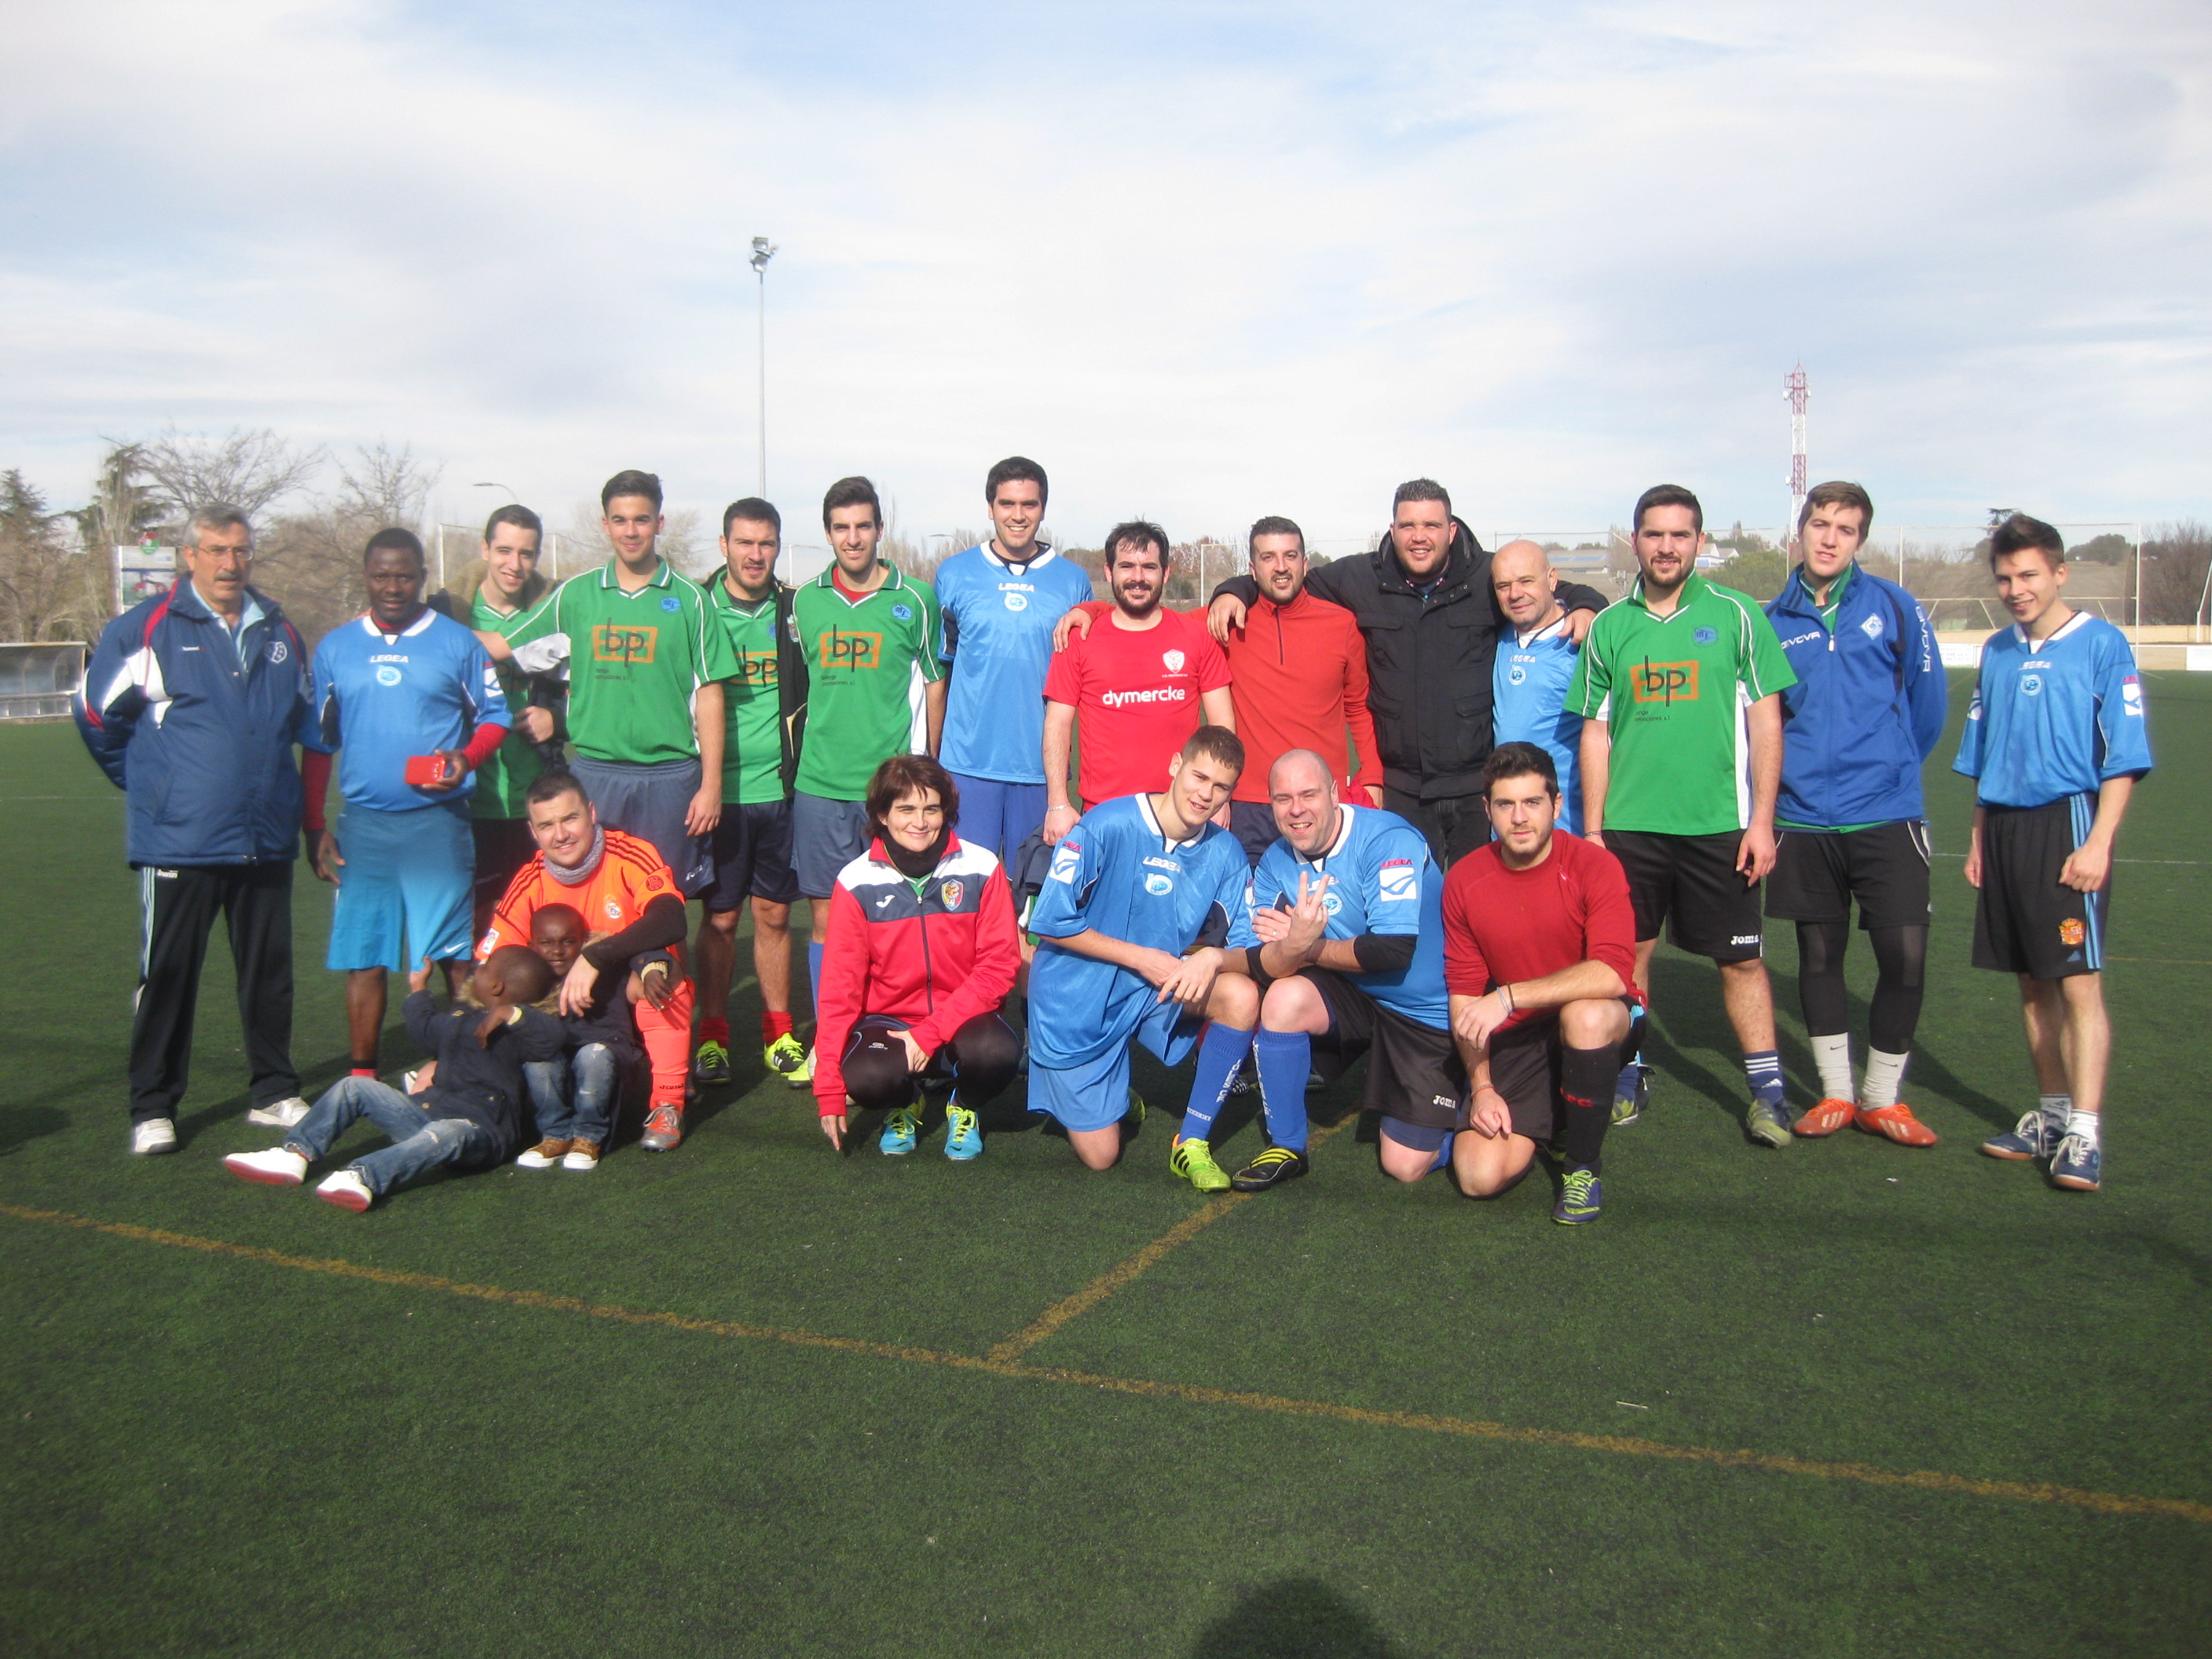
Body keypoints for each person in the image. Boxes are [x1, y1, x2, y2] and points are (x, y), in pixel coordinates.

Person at [76, 503, 316, 1154]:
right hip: (180, 837)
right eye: (216, 550)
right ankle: (153, 1106)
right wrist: (153, 786)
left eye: (241, 551)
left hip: (263, 836)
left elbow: (301, 719)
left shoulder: (279, 630)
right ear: (189, 556)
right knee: (169, 974)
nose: (230, 564)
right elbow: (96, 716)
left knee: (269, 973)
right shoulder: (145, 627)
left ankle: (273, 1091)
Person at [1205, 480, 1605, 866]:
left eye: (1431, 525)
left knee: (1478, 895)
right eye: (1408, 525)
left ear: (1451, 530)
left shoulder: (1486, 576)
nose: (1419, 537)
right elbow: (1285, 578)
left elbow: (1546, 587)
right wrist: (1234, 590)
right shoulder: (1361, 577)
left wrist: (1587, 605)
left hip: (1474, 786)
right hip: (1402, 790)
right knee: (1409, 901)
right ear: (1393, 530)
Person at [1567, 485, 1799, 1147]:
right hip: (1630, 830)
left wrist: (1761, 823)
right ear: (1635, 540)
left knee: (1742, 963)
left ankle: (1768, 1094)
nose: (1666, 547)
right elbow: (1594, 734)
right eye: (1654, 534)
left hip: (1719, 828)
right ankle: (1627, 1073)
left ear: (1698, 541)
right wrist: (1594, 832)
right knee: (1627, 957)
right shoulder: (1610, 626)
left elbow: (1767, 723)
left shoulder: (1738, 614)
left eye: (1679, 535)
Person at [1957, 515, 2152, 1193]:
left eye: (2029, 575)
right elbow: (1985, 753)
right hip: (2005, 829)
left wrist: (2099, 842)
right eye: (2005, 578)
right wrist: (1979, 836)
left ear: (2060, 573)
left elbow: (2123, 756)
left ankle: (2085, 1132)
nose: (2016, 589)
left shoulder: (2101, 644)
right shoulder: (1997, 650)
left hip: (2068, 824)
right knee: (2031, 982)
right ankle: (2052, 1115)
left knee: (2077, 982)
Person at [1764, 482, 1949, 1145]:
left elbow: (1929, 705)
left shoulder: (1896, 606)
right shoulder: (1770, 620)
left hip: (1886, 812)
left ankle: (1882, 1098)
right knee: (1819, 957)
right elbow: (1764, 721)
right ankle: (1837, 1094)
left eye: (1845, 528)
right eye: (1820, 523)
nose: (1830, 537)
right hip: (1803, 818)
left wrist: (1889, 768)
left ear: (1860, 540)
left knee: (1905, 958)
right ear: (1802, 530)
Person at [1192, 750, 1455, 1194]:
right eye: (1283, 799)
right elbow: (1263, 960)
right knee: (1283, 998)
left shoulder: (1387, 839)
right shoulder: (1275, 861)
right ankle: (1287, 1146)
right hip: (1354, 990)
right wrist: (1280, 950)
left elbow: (1392, 950)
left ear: (1334, 794)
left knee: (1404, 1165)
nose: (1296, 810)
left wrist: (1303, 947)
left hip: (1423, 1010)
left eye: (1309, 795)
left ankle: (1462, 1112)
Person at [302, 528, 511, 1078]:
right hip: (364, 827)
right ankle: (362, 1077)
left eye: (403, 576)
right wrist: (313, 824)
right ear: (366, 577)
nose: (392, 587)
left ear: (421, 576)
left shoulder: (457, 643)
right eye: (381, 576)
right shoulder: (336, 649)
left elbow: (496, 716)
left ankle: (467, 1071)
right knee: (364, 957)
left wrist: (467, 758)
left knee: (454, 955)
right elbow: (319, 744)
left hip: (436, 824)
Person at [1059, 516, 1379, 866]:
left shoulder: (1342, 624)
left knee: (1328, 897)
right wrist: (1091, 609)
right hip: (1245, 804)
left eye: (1290, 556)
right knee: (1249, 901)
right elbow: (1142, 613)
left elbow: (1360, 707)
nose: (1280, 567)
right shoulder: (1218, 621)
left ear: (1305, 564)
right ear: (1252, 569)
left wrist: (1373, 778)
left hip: (1318, 800)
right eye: (1268, 557)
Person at [492, 470, 735, 895]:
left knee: (664, 903)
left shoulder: (691, 599)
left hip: (670, 777)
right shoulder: (576, 595)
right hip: (596, 776)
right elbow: (502, 643)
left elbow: (710, 693)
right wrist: (420, 627)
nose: (631, 531)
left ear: (659, 523)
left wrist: (711, 785)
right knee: (593, 899)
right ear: (606, 524)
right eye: (620, 520)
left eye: (642, 519)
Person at [1025, 727, 1257, 1171]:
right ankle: (1113, 1092)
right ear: (1175, 765)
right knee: (1101, 1157)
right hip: (1077, 996)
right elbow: (1050, 922)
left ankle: (1192, 1142)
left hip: (1154, 989)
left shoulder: (1226, 852)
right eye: (1199, 777)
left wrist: (1212, 957)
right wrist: (1141, 958)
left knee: (1240, 997)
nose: (1205, 794)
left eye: (1221, 787)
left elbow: (1247, 946)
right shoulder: (1106, 824)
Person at [1441, 743, 1642, 1224]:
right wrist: (1482, 1087)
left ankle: (1581, 1169)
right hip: (1523, 1032)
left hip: (1602, 1018)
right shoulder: (1465, 879)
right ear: (1487, 809)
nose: (1519, 818)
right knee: (1477, 1176)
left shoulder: (1595, 865)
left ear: (1556, 804)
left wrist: (1509, 996)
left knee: (1585, 1016)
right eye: (1505, 804)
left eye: (1532, 802)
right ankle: (1559, 1114)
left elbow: (1613, 972)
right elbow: (1464, 996)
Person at [789, 475, 947, 1064]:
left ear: (880, 529)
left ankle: (900, 1036)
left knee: (901, 916)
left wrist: (925, 769)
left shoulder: (917, 599)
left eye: (862, 526)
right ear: (828, 533)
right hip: (821, 784)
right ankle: (831, 1045)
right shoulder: (804, 602)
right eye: (841, 528)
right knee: (827, 918)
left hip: (892, 792)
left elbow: (935, 682)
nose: (852, 539)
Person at [220, 947, 560, 1210]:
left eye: (484, 968)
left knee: (447, 1133)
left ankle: (363, 1175)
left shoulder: (520, 1033)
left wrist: (512, 1014)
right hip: (426, 1114)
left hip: (480, 1133)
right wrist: (419, 989)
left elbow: (552, 1040)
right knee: (354, 1086)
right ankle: (295, 1153)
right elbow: (424, 1031)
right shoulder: (462, 1016)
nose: (476, 970)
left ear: (497, 986)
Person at [811, 756, 1022, 1158]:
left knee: (996, 1054)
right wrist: (829, 1087)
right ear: (882, 815)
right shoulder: (856, 881)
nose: (920, 822)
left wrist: (928, 1034)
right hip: (888, 1022)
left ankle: (964, 1105)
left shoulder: (981, 866)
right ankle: (906, 1102)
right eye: (906, 809)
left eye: (931, 809)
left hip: (964, 1017)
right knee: (867, 1078)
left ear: (947, 811)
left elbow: (999, 966)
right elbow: (839, 987)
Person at [480, 772, 700, 1154]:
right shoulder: (528, 881)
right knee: (505, 990)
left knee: (663, 973)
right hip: (567, 1013)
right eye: (547, 825)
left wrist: (595, 955)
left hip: (628, 999)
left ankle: (668, 1101)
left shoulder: (629, 854)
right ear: (533, 832)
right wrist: (453, 1057)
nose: (561, 835)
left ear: (592, 813)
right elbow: (489, 973)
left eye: (570, 819)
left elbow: (671, 919)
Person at [692, 497, 811, 1089]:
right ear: (724, 546)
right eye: (744, 542)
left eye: (766, 543)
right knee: (719, 920)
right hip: (716, 794)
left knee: (774, 913)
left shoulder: (793, 610)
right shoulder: (696, 607)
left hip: (779, 790)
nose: (755, 554)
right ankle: (712, 1036)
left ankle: (778, 1034)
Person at [932, 457, 1095, 863]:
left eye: (1029, 504)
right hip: (968, 765)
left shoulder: (1073, 581)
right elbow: (939, 674)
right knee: (966, 886)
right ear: (991, 508)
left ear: (1043, 508)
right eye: (1007, 504)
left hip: (1040, 769)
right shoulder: (954, 574)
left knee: (1031, 890)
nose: (1018, 515)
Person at [1042, 522, 1234, 844]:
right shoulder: (1079, 639)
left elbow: (1222, 726)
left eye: (1149, 567)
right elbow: (1057, 725)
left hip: (1182, 812)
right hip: (1105, 814)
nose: (1138, 577)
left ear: (1166, 573)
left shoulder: (1196, 636)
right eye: (1127, 566)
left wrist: (1220, 798)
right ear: (1109, 572)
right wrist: (1058, 803)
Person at [437, 504, 566, 938]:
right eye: (504, 551)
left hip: (534, 796)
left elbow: (594, 688)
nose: (515, 564)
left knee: (537, 924)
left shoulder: (553, 613)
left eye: (526, 554)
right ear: (485, 549)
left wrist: (557, 719)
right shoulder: (447, 612)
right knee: (467, 925)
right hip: (470, 795)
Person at [513, 903, 679, 1173]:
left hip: (605, 1059)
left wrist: (652, 970)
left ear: (584, 942)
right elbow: (489, 979)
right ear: (532, 946)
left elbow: (647, 952)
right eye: (546, 943)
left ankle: (588, 1136)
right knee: (537, 1058)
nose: (557, 950)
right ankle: (554, 1135)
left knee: (593, 1055)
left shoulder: (603, 964)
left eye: (568, 942)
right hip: (559, 1060)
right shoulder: (527, 975)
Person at [1490, 540, 1587, 833]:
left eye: (1526, 581)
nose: (1515, 594)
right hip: (1507, 827)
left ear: (1552, 579)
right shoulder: (1498, 636)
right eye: (1503, 586)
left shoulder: (1582, 643)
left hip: (1565, 825)